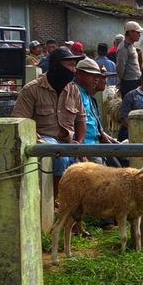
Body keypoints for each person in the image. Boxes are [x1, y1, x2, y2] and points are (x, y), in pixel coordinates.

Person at [12, 46, 86, 183]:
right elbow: (20, 122)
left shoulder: (74, 91)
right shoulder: (32, 90)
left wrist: (79, 143)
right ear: (57, 66)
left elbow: (81, 119)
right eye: (70, 65)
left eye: (75, 66)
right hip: (43, 141)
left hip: (68, 142)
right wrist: (40, 141)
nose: (73, 70)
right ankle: (55, 201)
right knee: (59, 157)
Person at [116, 21, 143, 92]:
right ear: (130, 32)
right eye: (138, 32)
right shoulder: (123, 48)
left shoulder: (131, 45)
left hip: (136, 81)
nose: (139, 35)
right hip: (129, 83)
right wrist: (121, 80)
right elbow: (120, 67)